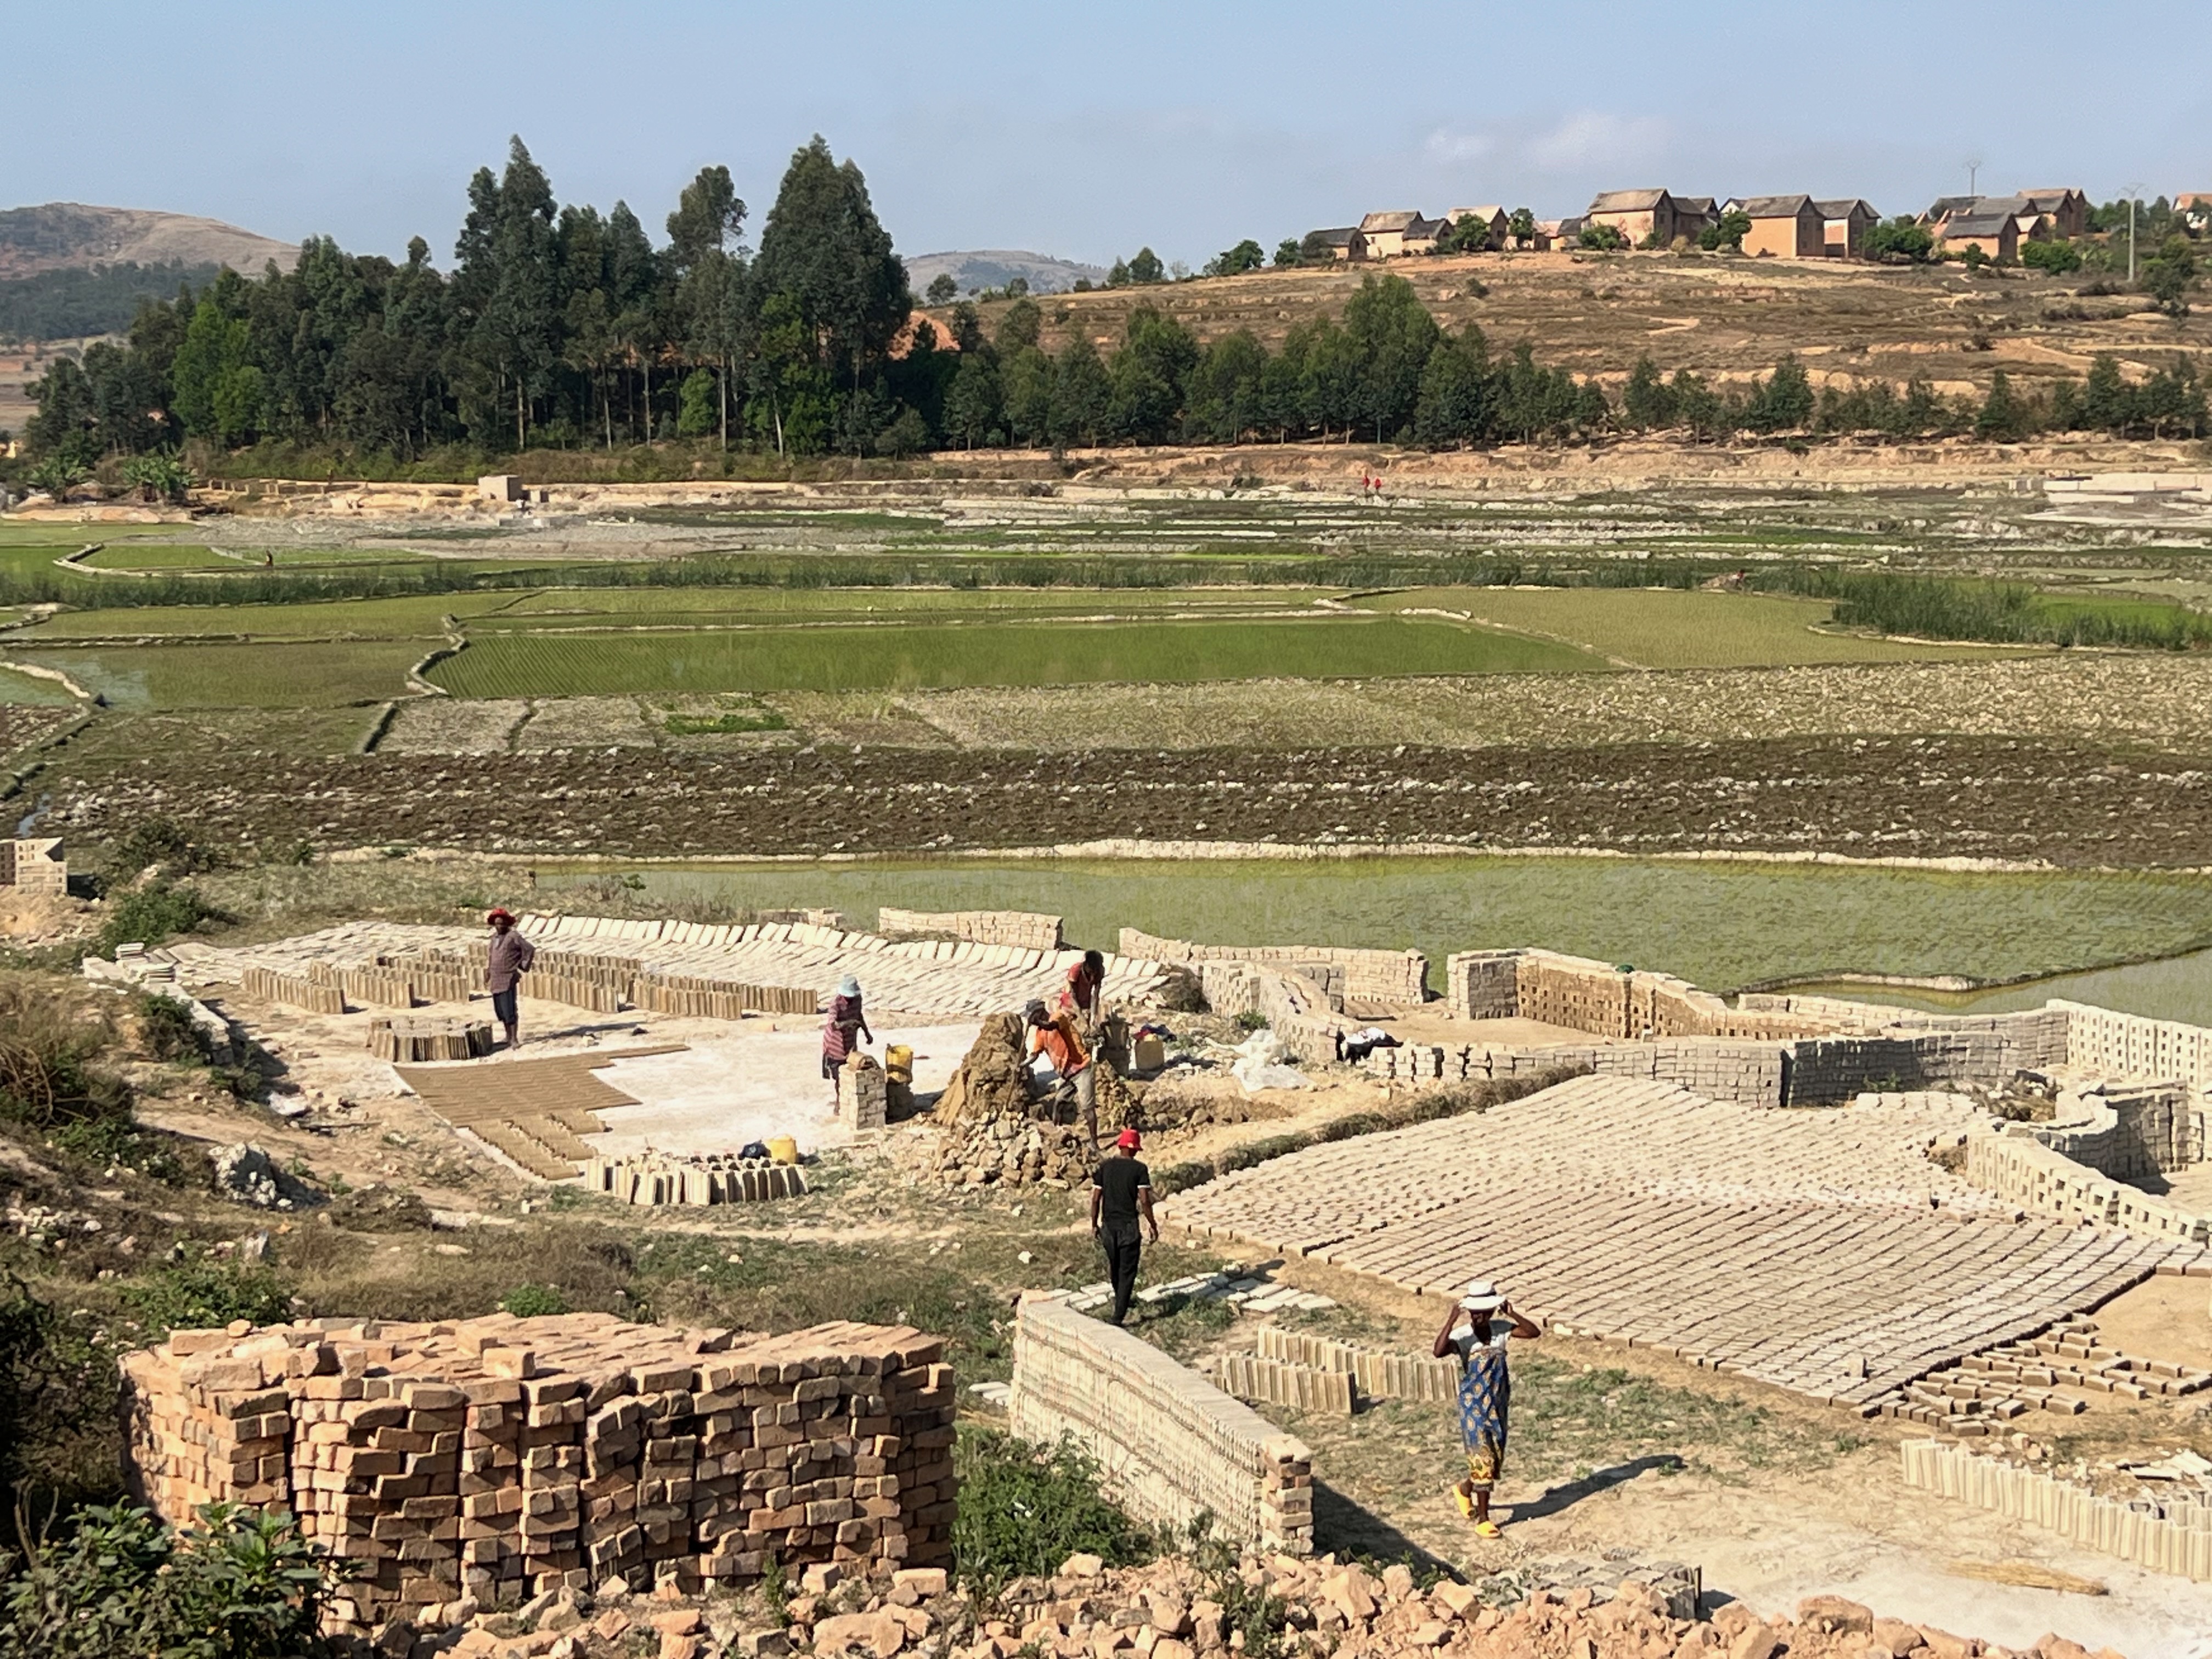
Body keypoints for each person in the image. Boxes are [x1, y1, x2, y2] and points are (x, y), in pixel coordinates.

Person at [1433, 1278, 1539, 1538]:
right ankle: (1484, 1519)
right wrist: (1451, 1320)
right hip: (1473, 1405)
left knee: (1493, 1459)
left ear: (1492, 1311)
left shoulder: (1501, 1330)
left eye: (1483, 1312)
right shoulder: (1463, 1336)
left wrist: (1512, 1313)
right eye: (1474, 1312)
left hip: (1498, 1402)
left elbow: (1533, 1333)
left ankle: (1464, 1490)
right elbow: (1438, 1351)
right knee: (1483, 1457)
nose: (1478, 1317)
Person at [1090, 1127, 1158, 1324]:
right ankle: (1118, 1316)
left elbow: (1095, 1199)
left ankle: (1121, 1300)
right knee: (1127, 1271)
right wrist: (1152, 1224)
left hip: (1108, 1226)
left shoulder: (1105, 1167)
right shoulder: (1139, 1169)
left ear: (1120, 1146)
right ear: (1135, 1149)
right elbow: (1144, 1201)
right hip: (1128, 1226)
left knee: (1116, 1266)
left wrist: (1094, 1224)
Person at [1024, 997, 1097, 1146]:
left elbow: (1051, 1026)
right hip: (1067, 1074)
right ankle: (1057, 1133)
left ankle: (1094, 1143)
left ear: (1039, 1013)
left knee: (1087, 1108)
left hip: (1081, 1068)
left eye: (1033, 1017)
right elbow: (1034, 1054)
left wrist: (1036, 1021)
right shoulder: (1040, 1033)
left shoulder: (1057, 1017)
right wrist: (1022, 1065)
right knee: (1059, 1102)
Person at [485, 909, 535, 1050]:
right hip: (496, 979)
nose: (499, 927)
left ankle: (514, 1038)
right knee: (500, 1010)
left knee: (509, 1009)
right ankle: (507, 1036)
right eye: (497, 924)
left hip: (508, 977)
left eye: (502, 924)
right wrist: (488, 972)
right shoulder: (494, 939)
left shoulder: (513, 936)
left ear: (507, 924)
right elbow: (491, 957)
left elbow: (529, 949)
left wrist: (522, 965)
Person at [822, 973, 872, 1108]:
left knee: (852, 1071)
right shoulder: (835, 1005)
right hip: (835, 1044)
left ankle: (847, 1099)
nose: (850, 999)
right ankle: (839, 1102)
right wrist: (849, 1023)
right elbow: (833, 1025)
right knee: (839, 1076)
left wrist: (867, 1033)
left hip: (850, 1043)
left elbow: (859, 1016)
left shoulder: (857, 1000)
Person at [1059, 949, 1106, 1036]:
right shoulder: (1076, 970)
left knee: (1092, 1030)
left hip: (1085, 1002)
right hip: (1070, 1004)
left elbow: (1095, 995)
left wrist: (1093, 1017)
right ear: (1086, 964)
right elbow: (1072, 995)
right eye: (1091, 970)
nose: (1093, 973)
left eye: (1095, 970)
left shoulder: (1100, 971)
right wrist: (1081, 1016)